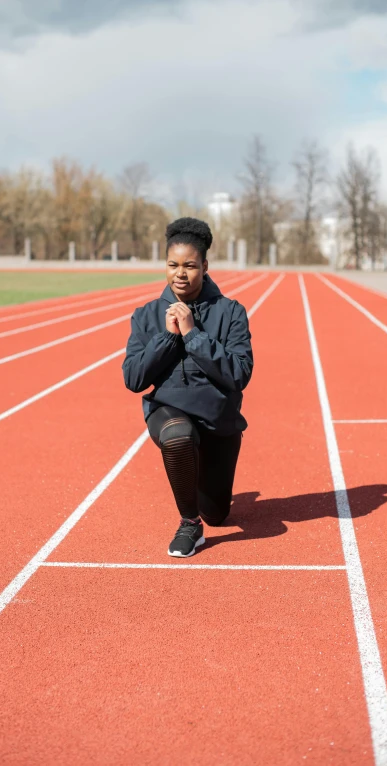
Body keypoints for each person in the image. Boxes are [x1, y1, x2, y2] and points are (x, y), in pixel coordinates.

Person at [122, 217, 253, 557]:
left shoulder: (232, 313)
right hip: (170, 412)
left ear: (205, 266)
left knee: (219, 515)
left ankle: (199, 484)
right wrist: (167, 337)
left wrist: (193, 334)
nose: (180, 273)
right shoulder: (146, 315)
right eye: (173, 265)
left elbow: (240, 374)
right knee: (178, 434)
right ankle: (189, 524)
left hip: (218, 423)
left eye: (190, 265)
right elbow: (133, 379)